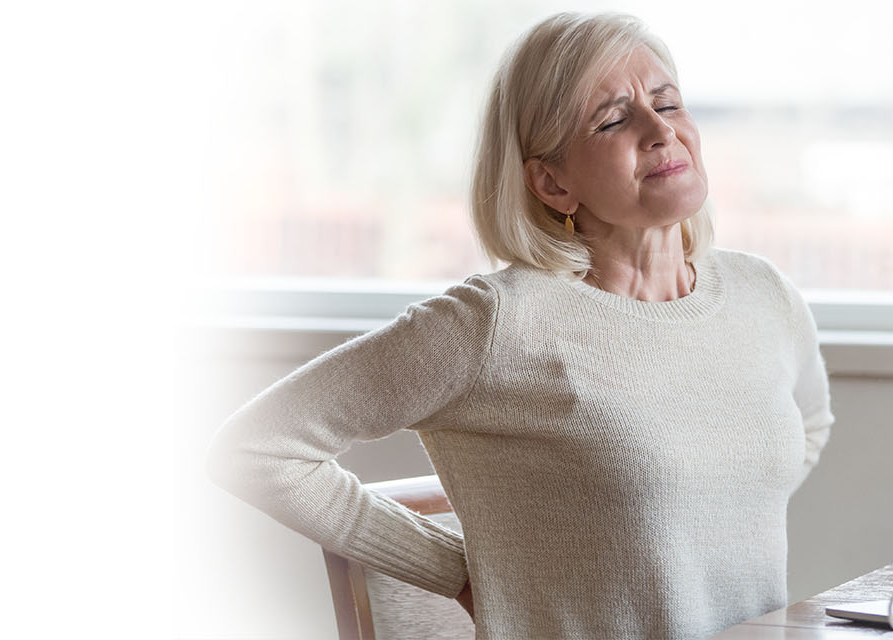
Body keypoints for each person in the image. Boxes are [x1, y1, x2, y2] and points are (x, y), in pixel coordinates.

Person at [206, 11, 834, 640]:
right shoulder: (498, 323)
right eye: (614, 118)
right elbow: (257, 447)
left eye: (668, 103)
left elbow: (808, 423)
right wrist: (458, 571)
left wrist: (707, 501)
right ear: (552, 183)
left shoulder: (764, 295)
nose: (659, 131)